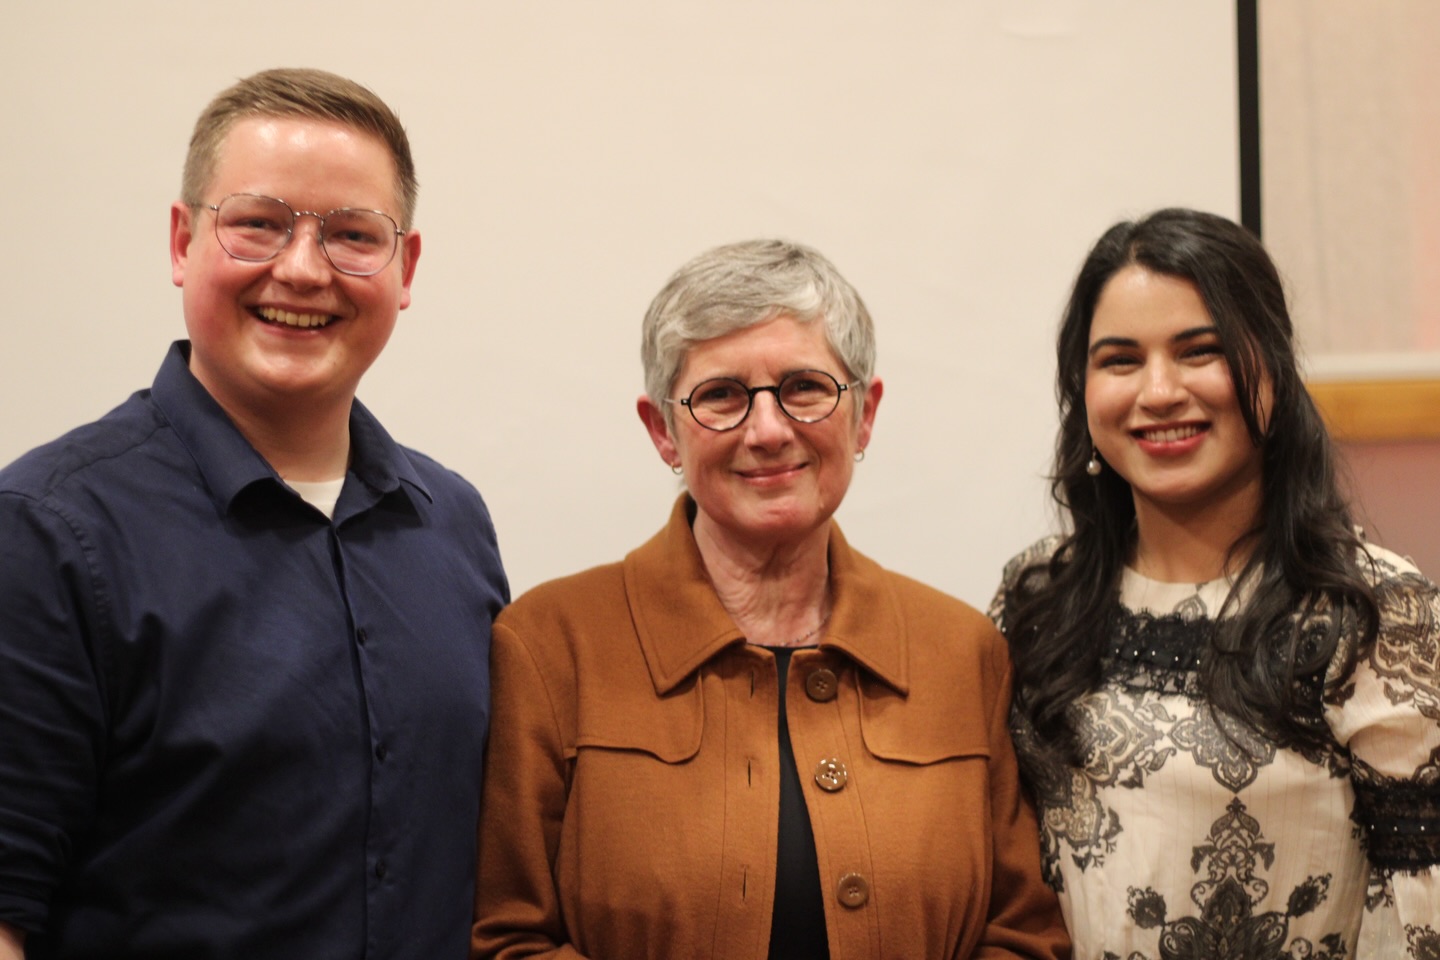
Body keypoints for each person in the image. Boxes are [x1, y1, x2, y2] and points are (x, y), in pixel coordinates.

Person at [0, 68, 508, 959]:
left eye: (353, 234)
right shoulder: (45, 532)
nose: (303, 269)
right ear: (181, 241)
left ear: (406, 269)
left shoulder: (452, 525)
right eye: (259, 224)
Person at [471, 239, 1068, 960]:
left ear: (865, 414)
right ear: (663, 431)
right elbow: (508, 938)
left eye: (805, 387)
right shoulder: (549, 647)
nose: (767, 431)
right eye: (721, 395)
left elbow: (1023, 934)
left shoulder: (965, 653)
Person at [990, 208, 1440, 958]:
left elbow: (1421, 912)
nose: (1159, 391)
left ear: (1272, 367)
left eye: (1200, 351)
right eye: (1120, 360)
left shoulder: (1374, 613)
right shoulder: (1037, 595)